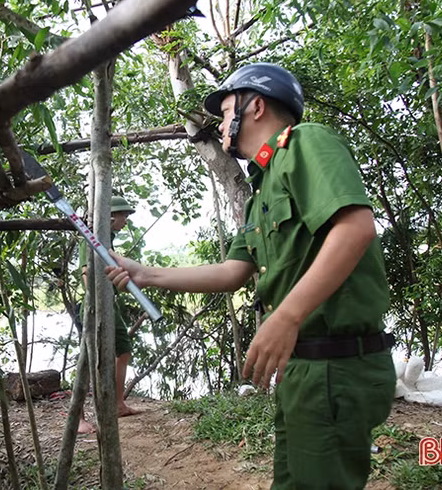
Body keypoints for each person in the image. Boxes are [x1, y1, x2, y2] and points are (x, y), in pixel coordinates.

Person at [105, 63, 396, 488]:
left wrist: (287, 316)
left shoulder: (304, 143)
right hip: (301, 368)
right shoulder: (262, 192)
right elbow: (232, 271)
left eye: (224, 112)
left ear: (255, 106)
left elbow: (355, 227)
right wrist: (144, 274)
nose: (220, 124)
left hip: (336, 366)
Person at [76, 195, 141, 434]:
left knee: (122, 349)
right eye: (123, 215)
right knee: (89, 358)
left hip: (108, 302)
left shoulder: (108, 240)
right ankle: (79, 418)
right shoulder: (92, 238)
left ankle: (117, 404)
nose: (126, 220)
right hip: (96, 304)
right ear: (111, 217)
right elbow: (86, 272)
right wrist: (96, 303)